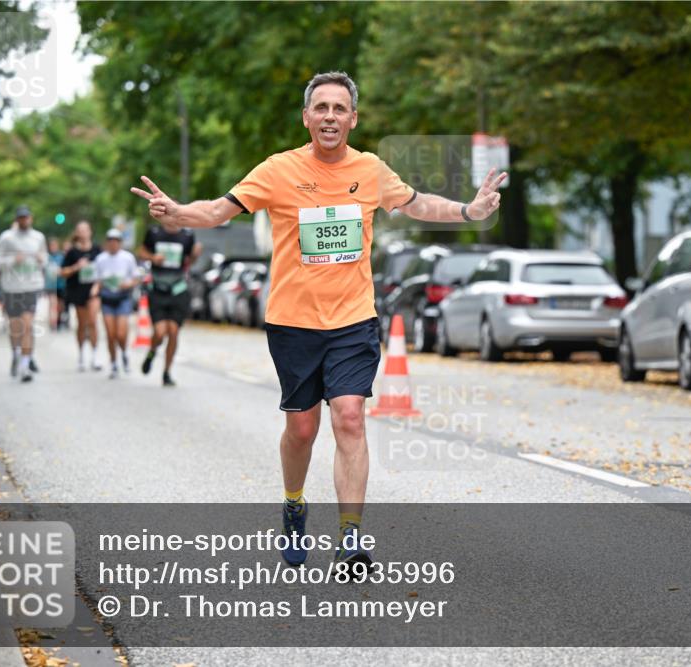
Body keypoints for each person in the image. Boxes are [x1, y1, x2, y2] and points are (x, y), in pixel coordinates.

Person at [131, 71, 505, 569]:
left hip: (353, 320)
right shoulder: (277, 170)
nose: (330, 116)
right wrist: (177, 213)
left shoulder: (370, 169)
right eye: (321, 108)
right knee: (302, 430)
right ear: (306, 117)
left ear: (353, 118)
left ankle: (350, 537)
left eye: (340, 108)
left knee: (349, 417)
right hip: (293, 322)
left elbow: (418, 204)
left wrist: (469, 209)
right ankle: (293, 502)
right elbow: (219, 211)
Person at [135, 223, 201, 386]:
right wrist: (153, 258)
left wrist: (195, 255)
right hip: (158, 289)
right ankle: (152, 352)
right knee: (160, 331)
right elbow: (141, 252)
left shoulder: (187, 235)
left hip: (178, 289)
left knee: (173, 331)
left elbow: (189, 261)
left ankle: (167, 372)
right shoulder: (154, 232)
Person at [0, 205, 47, 382]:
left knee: (27, 326)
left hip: (31, 286)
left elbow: (45, 259)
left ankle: (24, 367)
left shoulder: (38, 237)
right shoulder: (6, 238)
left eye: (27, 217)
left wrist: (41, 259)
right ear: (17, 219)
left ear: (31, 218)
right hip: (11, 288)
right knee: (15, 328)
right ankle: (15, 353)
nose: (24, 220)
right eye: (21, 218)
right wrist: (13, 260)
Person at [91, 228, 139, 379]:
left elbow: (136, 277)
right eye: (110, 241)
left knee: (121, 333)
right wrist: (95, 289)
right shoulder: (100, 259)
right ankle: (113, 364)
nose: (113, 244)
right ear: (107, 243)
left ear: (120, 243)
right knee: (111, 334)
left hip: (123, 298)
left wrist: (128, 284)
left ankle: (124, 353)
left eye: (116, 241)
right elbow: (97, 280)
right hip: (107, 298)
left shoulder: (128, 258)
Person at [61, 221, 103, 371]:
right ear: (77, 233)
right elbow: (62, 272)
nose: (83, 233)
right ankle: (81, 355)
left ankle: (95, 355)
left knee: (93, 321)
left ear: (90, 232)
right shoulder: (72, 252)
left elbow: (103, 269)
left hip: (93, 291)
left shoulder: (97, 249)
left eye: (86, 230)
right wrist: (76, 267)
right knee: (82, 324)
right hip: (77, 290)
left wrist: (97, 285)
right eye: (80, 230)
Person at [45, 238, 66, 330]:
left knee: (60, 305)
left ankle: (59, 319)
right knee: (52, 303)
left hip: (60, 284)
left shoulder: (61, 257)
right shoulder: (46, 258)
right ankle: (52, 322)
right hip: (51, 285)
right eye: (51, 245)